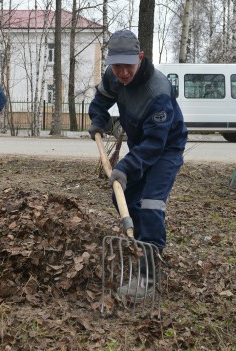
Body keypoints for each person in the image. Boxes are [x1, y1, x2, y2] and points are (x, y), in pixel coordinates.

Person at [88, 29, 188, 298]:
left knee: (150, 204)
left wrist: (125, 167)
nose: (122, 73)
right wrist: (98, 119)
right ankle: (142, 243)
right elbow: (101, 100)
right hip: (140, 148)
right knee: (124, 196)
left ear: (140, 58)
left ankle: (149, 276)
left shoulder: (158, 92)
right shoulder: (113, 76)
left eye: (127, 66)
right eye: (116, 65)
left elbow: (155, 145)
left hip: (166, 149)